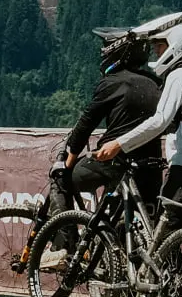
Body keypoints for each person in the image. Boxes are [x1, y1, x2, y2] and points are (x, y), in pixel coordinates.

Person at [93, 12, 182, 253]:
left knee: (162, 235)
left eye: (159, 46)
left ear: (175, 42)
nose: (156, 53)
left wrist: (119, 144)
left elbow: (160, 121)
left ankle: (160, 287)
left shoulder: (178, 75)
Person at [45, 25, 168, 253]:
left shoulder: (112, 82)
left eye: (104, 48)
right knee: (144, 223)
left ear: (114, 51)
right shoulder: (156, 82)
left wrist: (67, 162)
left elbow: (85, 125)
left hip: (113, 160)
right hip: (149, 165)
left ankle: (64, 248)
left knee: (60, 179)